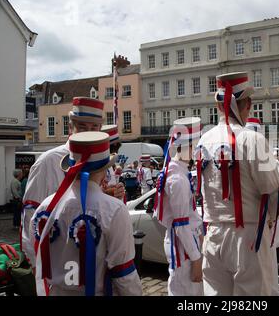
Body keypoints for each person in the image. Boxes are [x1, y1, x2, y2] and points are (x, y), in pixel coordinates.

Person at [197, 72, 279, 296]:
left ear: (219, 106)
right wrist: (271, 219)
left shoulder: (203, 141)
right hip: (248, 236)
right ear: (246, 104)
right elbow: (275, 195)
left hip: (214, 234)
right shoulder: (255, 139)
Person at [24, 131, 142, 296]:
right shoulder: (113, 209)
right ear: (103, 170)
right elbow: (123, 272)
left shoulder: (44, 207)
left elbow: (35, 251)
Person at [21, 97, 125, 263]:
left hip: (96, 260)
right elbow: (30, 217)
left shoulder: (103, 162)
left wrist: (109, 197)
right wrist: (38, 266)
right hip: (58, 263)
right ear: (71, 127)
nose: (88, 132)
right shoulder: (48, 161)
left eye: (94, 127)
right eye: (82, 126)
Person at [154, 117, 204, 296]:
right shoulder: (178, 179)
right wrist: (196, 258)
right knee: (186, 293)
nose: (198, 151)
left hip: (186, 245)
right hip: (184, 249)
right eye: (197, 146)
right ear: (188, 146)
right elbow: (181, 225)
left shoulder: (177, 171)